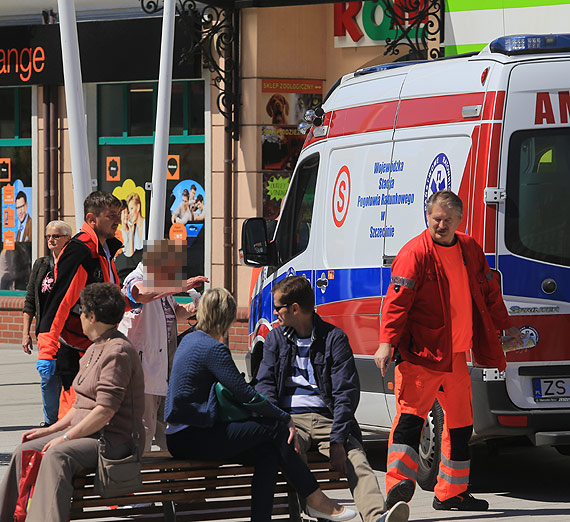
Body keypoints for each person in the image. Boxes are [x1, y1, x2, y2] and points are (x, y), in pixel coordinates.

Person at [374, 190, 522, 512]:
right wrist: (386, 342)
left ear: (460, 220)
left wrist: (505, 325)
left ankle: (452, 493)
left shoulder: (469, 249)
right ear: (428, 217)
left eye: (448, 220)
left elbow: (489, 293)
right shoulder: (414, 253)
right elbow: (396, 304)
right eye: (436, 218)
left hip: (455, 356)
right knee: (410, 422)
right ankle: (397, 487)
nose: (441, 225)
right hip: (420, 356)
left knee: (459, 426)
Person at [165, 288, 357, 522]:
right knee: (276, 429)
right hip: (193, 436)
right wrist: (284, 417)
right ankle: (315, 499)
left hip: (180, 436)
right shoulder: (213, 349)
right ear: (227, 317)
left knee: (268, 452)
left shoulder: (191, 339)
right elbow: (246, 394)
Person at [256, 276, 409, 522]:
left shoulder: (334, 338)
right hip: (291, 420)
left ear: (295, 308)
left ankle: (377, 517)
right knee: (290, 451)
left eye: (278, 308)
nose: (275, 314)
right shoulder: (275, 339)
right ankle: (313, 513)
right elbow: (265, 386)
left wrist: (338, 439)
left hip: (328, 419)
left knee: (355, 456)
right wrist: (282, 421)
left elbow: (345, 394)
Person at [0, 282, 145, 522]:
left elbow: (105, 411)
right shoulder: (95, 347)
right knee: (25, 448)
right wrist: (51, 429)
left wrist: (66, 438)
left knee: (57, 455)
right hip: (88, 434)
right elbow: (80, 405)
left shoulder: (117, 352)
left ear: (93, 316)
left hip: (112, 440)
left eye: (82, 312)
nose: (78, 317)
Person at [37, 191, 122, 418]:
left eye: (119, 214)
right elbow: (58, 302)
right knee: (74, 416)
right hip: (76, 349)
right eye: (111, 215)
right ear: (92, 219)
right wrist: (46, 350)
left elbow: (112, 296)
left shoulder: (104, 250)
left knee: (97, 414)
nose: (118, 220)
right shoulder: (80, 250)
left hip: (96, 346)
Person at [119, 238, 208, 452]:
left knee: (165, 427)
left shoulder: (160, 284)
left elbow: (174, 313)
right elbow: (140, 294)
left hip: (164, 365)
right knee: (144, 428)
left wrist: (195, 306)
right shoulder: (136, 279)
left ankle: (168, 478)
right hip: (144, 368)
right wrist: (181, 285)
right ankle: (140, 477)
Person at [22, 220, 72, 427]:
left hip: (70, 333)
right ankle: (50, 422)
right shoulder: (41, 265)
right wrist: (25, 333)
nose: (51, 240)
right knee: (48, 379)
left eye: (56, 236)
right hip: (46, 332)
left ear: (67, 239)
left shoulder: (73, 264)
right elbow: (30, 300)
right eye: (48, 236)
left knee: (68, 378)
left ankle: (67, 421)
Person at [122, 192, 145, 257]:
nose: (130, 214)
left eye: (132, 208)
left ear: (138, 207)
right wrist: (131, 233)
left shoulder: (148, 225)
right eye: (129, 211)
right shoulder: (133, 230)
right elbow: (130, 255)